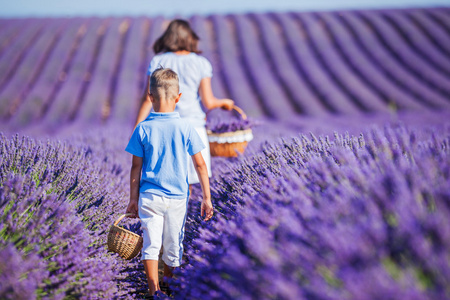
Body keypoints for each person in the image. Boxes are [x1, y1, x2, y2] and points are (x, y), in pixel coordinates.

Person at [126, 67, 213, 299]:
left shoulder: (142, 128)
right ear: (179, 97)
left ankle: (153, 289)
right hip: (177, 197)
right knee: (174, 243)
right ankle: (169, 282)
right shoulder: (186, 127)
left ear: (150, 97)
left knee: (151, 243)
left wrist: (132, 199)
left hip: (149, 196)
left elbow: (135, 167)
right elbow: (201, 165)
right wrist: (206, 197)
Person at [134, 19, 234, 188]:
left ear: (168, 38)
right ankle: (184, 214)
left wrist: (137, 129)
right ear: (190, 38)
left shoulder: (158, 61)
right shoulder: (200, 63)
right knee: (190, 180)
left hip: (162, 128)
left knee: (162, 178)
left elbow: (147, 99)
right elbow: (209, 102)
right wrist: (224, 102)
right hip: (192, 127)